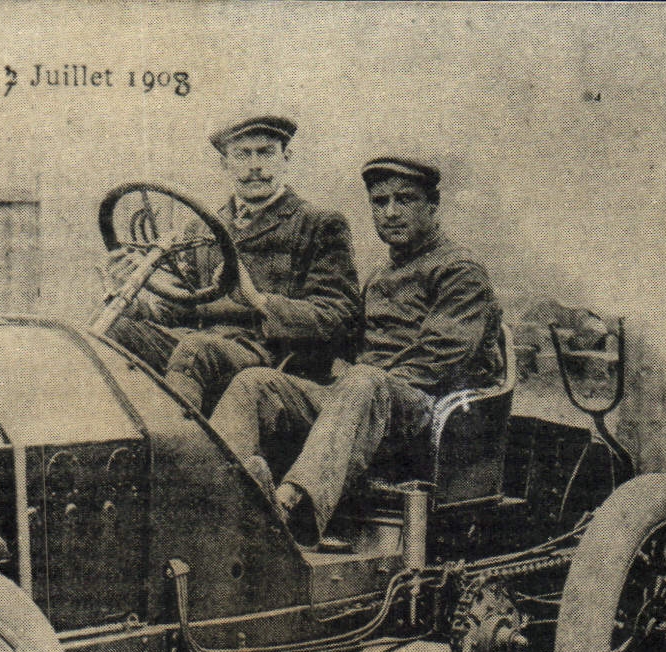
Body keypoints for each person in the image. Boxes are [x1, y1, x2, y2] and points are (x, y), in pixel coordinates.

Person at [208, 155, 502, 543]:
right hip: (359, 401)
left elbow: (440, 360)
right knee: (255, 383)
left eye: (405, 200)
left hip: (423, 410)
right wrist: (261, 304)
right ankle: (214, 495)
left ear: (433, 206)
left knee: (363, 381)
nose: (391, 212)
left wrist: (359, 381)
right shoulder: (380, 274)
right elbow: (343, 343)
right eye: (380, 203)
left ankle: (287, 507)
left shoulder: (460, 271)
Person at [105, 114, 362, 413]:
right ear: (225, 164)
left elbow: (340, 318)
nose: (255, 165)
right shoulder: (201, 229)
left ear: (286, 158)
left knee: (195, 350)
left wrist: (260, 302)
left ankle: (181, 455)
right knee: (114, 331)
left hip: (273, 356)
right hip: (201, 346)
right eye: (242, 155)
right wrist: (133, 298)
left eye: (265, 152)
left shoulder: (318, 224)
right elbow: (181, 308)